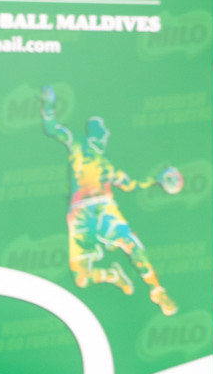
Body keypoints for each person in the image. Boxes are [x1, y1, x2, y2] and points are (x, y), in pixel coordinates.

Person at [41, 86, 183, 317]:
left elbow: (130, 185)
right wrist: (48, 106)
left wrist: (155, 181)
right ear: (97, 134)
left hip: (104, 208)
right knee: (82, 279)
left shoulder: (108, 166)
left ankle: (157, 291)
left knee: (133, 245)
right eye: (103, 131)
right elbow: (53, 129)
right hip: (79, 214)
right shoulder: (78, 144)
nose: (105, 135)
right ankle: (113, 275)